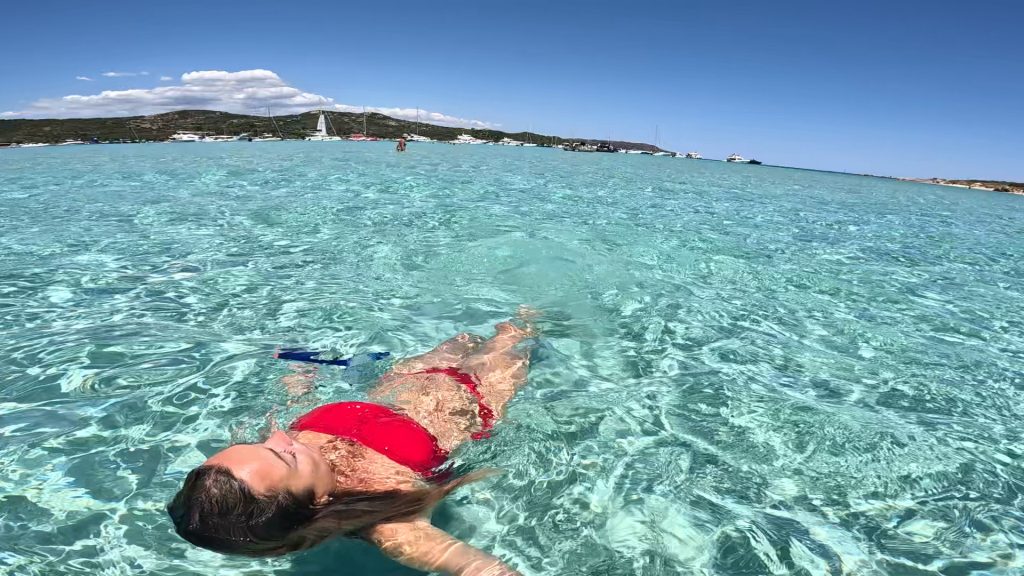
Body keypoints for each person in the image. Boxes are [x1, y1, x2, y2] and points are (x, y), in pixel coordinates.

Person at [168, 312, 536, 575]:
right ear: (318, 501)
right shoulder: (390, 525)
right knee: (520, 328)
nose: (280, 436)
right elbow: (482, 569)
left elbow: (292, 415)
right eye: (285, 456)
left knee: (465, 339)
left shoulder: (268, 471)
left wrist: (299, 382)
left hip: (401, 381)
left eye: (263, 443)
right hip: (479, 395)